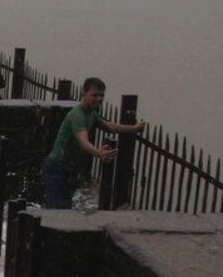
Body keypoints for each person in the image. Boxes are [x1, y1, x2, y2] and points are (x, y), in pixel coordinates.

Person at [42, 77, 145, 209]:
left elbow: (110, 127)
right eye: (94, 95)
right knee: (59, 211)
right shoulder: (78, 115)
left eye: (101, 95)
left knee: (63, 208)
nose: (99, 99)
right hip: (57, 168)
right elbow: (83, 141)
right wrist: (99, 153)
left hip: (68, 169)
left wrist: (134, 128)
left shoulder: (91, 113)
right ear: (83, 94)